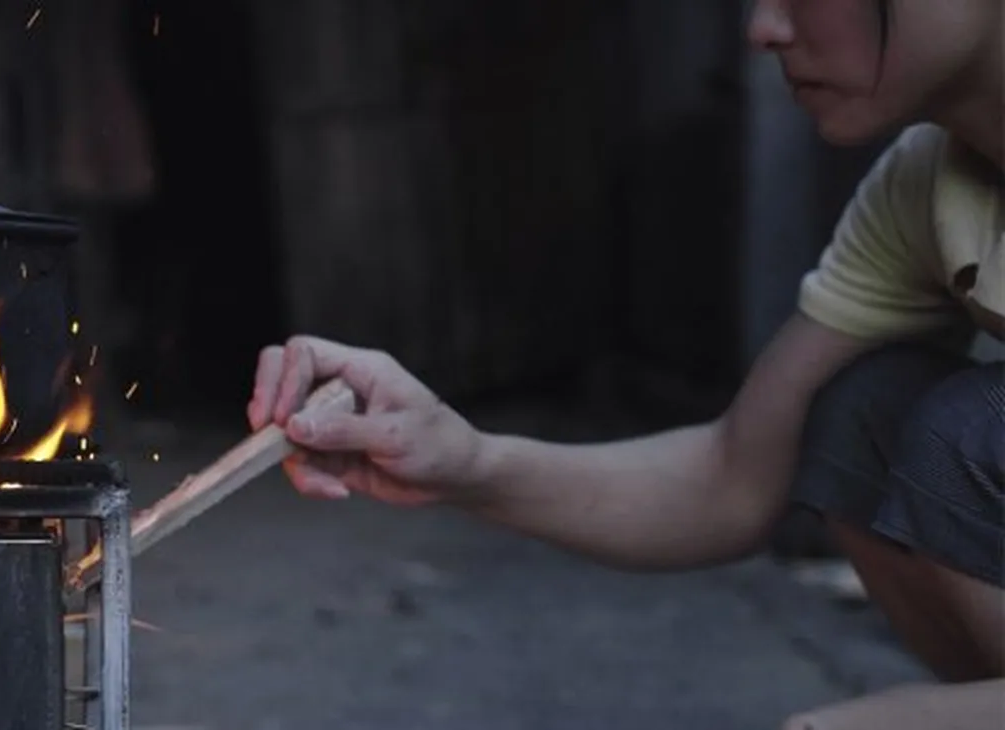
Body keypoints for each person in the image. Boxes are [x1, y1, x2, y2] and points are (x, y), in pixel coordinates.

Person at [247, 0, 1003, 727]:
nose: (764, 28)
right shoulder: (927, 191)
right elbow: (731, 478)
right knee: (858, 412)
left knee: (965, 433)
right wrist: (463, 459)